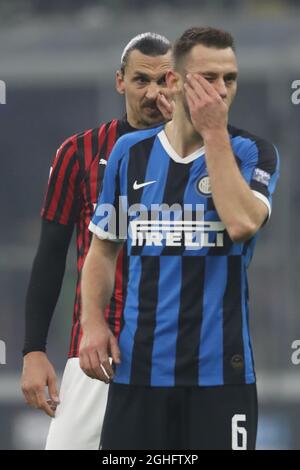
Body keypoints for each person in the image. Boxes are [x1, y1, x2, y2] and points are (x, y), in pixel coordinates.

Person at [81, 26, 280, 450]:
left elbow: (243, 224)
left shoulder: (252, 152)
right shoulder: (129, 153)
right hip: (140, 374)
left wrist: (213, 134)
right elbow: (102, 248)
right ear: (174, 81)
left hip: (222, 376)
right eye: (209, 78)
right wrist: (93, 324)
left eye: (230, 78)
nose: (222, 90)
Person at [21, 32, 173, 450]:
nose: (153, 93)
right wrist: (33, 350)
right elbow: (50, 256)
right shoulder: (79, 153)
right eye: (142, 80)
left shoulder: (203, 158)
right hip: (95, 355)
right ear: (120, 80)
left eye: (164, 81)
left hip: (181, 354)